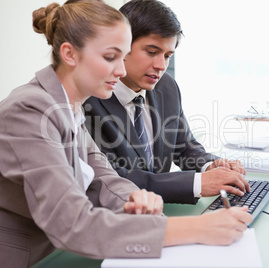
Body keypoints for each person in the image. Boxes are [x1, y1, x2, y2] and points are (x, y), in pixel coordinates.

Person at [0, 1, 252, 267]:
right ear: (70, 54)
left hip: (56, 252)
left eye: (122, 57)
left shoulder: (67, 106)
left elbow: (104, 178)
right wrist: (196, 228)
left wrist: (134, 199)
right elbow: (73, 225)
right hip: (19, 260)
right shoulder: (29, 112)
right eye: (110, 57)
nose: (120, 70)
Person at [84, 0, 250, 204]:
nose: (161, 66)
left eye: (168, 55)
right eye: (152, 52)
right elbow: (115, 180)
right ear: (120, 46)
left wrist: (210, 166)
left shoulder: (166, 86)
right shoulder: (88, 100)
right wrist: (197, 183)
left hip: (158, 213)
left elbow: (185, 147)